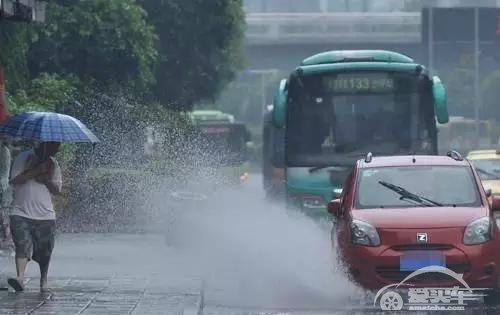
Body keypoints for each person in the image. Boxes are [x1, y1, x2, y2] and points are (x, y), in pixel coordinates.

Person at [7, 142, 62, 292]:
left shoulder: (53, 164)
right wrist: (35, 170)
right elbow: (13, 181)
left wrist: (45, 179)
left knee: (45, 251)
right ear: (45, 145)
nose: (57, 149)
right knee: (22, 245)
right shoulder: (23, 158)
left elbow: (57, 190)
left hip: (45, 215)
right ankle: (20, 278)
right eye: (55, 146)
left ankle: (43, 280)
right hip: (20, 211)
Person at [0, 137, 12, 255]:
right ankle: (7, 239)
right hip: (4, 186)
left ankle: (8, 239)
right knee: (3, 213)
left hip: (2, 187)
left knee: (3, 213)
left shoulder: (3, 150)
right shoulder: (5, 149)